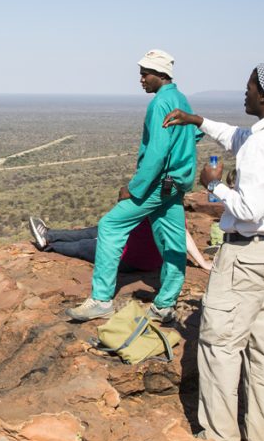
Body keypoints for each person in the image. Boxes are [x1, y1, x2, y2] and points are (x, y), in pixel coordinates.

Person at [163, 59, 264, 441]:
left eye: (249, 85)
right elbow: (238, 136)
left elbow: (250, 209)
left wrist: (215, 188)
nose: (244, 92)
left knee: (219, 345)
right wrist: (198, 121)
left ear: (263, 92)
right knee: (262, 346)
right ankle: (262, 438)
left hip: (246, 255)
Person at [66, 49, 199, 323]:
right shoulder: (180, 98)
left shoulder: (161, 103)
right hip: (176, 183)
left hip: (158, 183)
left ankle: (101, 299)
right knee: (172, 241)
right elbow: (194, 134)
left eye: (145, 74)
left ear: (161, 75)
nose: (141, 79)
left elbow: (157, 152)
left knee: (111, 225)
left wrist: (134, 188)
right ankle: (165, 304)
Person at [28, 215, 213, 271]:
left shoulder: (153, 205)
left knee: (84, 245)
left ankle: (47, 244)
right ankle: (50, 234)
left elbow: (183, 235)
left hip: (131, 258)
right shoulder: (173, 210)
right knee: (94, 231)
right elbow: (184, 234)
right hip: (131, 245)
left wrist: (203, 263)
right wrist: (202, 263)